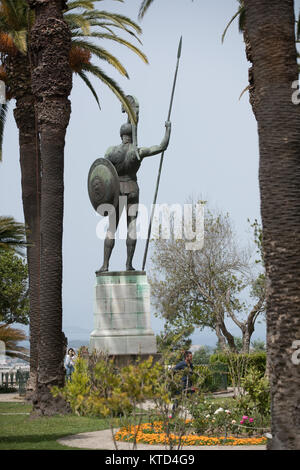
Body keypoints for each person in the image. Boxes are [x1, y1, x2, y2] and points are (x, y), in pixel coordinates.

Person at [98, 120, 171, 272]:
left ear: (121, 135)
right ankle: (128, 265)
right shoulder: (137, 151)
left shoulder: (111, 151)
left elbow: (103, 170)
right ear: (133, 135)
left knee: (112, 228)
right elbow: (162, 146)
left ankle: (105, 265)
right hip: (132, 189)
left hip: (116, 191)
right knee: (132, 227)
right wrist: (168, 129)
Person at [171, 350, 195, 417]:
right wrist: (176, 379)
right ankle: (173, 415)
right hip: (182, 384)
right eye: (190, 356)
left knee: (193, 399)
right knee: (178, 400)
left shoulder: (191, 365)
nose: (191, 358)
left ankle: (195, 414)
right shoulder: (182, 364)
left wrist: (193, 385)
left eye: (191, 356)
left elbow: (192, 375)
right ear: (186, 357)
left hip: (189, 385)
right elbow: (173, 370)